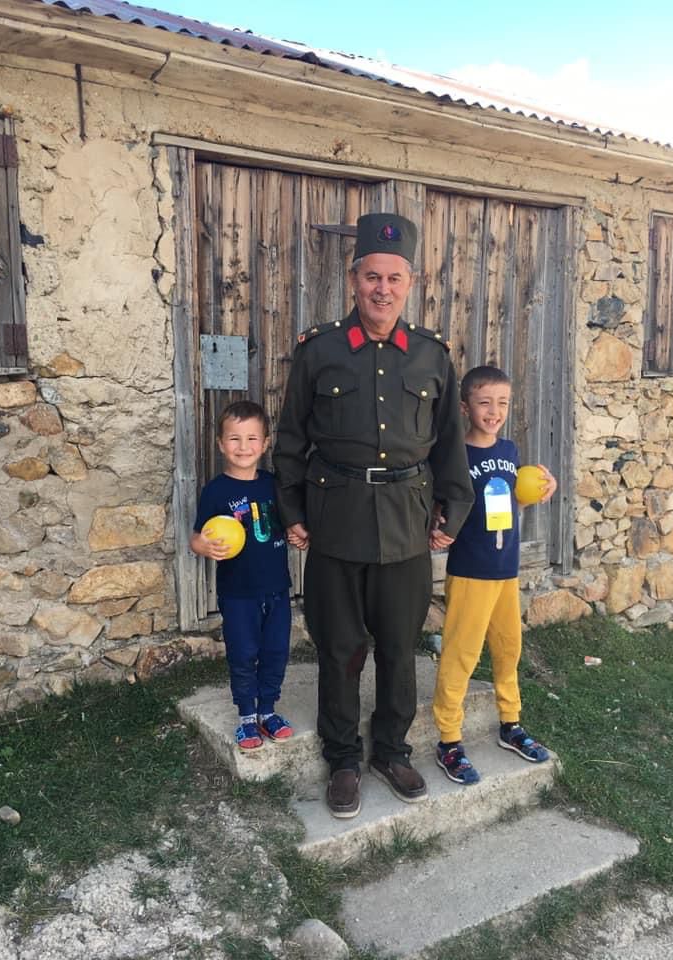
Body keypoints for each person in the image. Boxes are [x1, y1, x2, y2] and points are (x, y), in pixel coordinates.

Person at [273, 212, 474, 818]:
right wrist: (291, 509)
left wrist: (453, 511)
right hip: (335, 518)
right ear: (353, 278)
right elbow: (291, 439)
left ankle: (390, 750)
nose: (382, 289)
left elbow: (450, 443)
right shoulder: (320, 351)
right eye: (371, 277)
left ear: (410, 283)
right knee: (338, 648)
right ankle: (342, 759)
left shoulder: (431, 356)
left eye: (394, 278)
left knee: (398, 646)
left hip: (408, 520)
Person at [432, 365, 557, 785]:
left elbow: (510, 505)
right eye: (484, 402)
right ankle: (449, 740)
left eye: (502, 402)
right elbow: (439, 507)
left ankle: (510, 723)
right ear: (465, 407)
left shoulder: (510, 450)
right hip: (470, 570)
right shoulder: (455, 455)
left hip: (506, 570)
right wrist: (436, 524)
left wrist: (539, 490)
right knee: (461, 654)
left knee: (508, 649)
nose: (494, 411)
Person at [190, 400, 293, 751]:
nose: (244, 447)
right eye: (235, 439)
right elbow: (195, 537)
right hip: (238, 593)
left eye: (252, 439)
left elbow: (289, 523)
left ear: (265, 444)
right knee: (244, 653)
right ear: (221, 444)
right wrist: (203, 546)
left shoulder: (273, 485)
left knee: (276, 651)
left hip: (277, 589)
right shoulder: (216, 491)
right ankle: (247, 715)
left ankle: (268, 710)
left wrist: (297, 533)